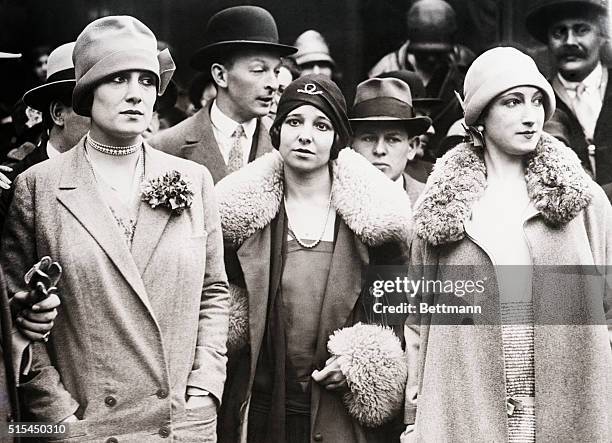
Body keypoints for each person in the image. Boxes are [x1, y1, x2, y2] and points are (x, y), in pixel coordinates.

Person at [0, 16, 230, 441]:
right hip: (89, 424)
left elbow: (214, 292)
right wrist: (58, 415)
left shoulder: (193, 179)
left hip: (178, 422)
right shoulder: (39, 186)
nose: (135, 94)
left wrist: (205, 387)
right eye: (118, 78)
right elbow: (18, 317)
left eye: (145, 80)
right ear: (87, 92)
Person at [402, 47, 612, 442]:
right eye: (512, 102)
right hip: (468, 407)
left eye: (537, 101)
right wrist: (415, 416)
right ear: (479, 116)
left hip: (570, 407)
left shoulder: (583, 200)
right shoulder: (442, 209)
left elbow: (610, 310)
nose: (530, 116)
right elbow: (419, 321)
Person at [216, 74, 413, 442]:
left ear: (338, 139)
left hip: (341, 412)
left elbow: (399, 316)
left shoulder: (376, 227)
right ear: (277, 133)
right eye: (294, 122)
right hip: (263, 406)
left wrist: (361, 362)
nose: (305, 135)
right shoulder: (241, 221)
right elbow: (219, 301)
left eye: (321, 125)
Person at [149, 6, 297, 183]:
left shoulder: (287, 143)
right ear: (220, 75)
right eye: (259, 70)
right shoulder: (165, 147)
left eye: (276, 71)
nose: (273, 84)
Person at [0, 42, 90, 231]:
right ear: (58, 113)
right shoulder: (12, 184)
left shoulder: (118, 174)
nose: (104, 118)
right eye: (88, 108)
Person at [369, 0, 473, 158]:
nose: (431, 59)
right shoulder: (384, 72)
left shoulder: (467, 68)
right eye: (423, 52)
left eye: (438, 53)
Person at [525, 0, 612, 185]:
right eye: (559, 32)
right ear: (547, 40)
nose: (570, 41)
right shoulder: (538, 100)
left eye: (581, 30)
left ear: (603, 35)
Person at [350, 77, 430, 204]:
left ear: (411, 147)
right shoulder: (329, 201)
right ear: (351, 144)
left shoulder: (430, 202)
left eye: (392, 139)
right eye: (368, 138)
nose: (379, 150)